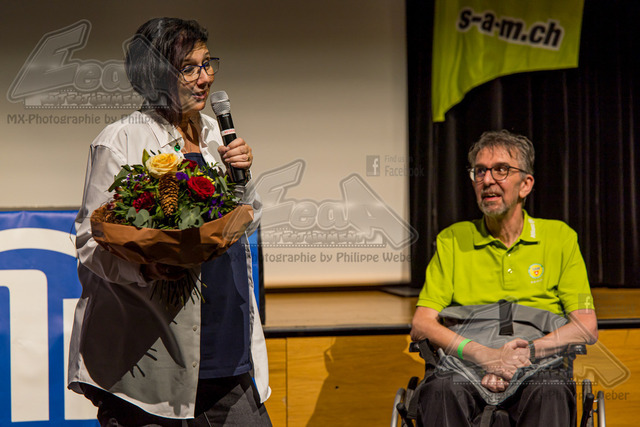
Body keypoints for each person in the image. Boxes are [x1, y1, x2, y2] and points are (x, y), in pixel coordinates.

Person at [68, 18, 271, 426]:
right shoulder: (122, 140)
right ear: (156, 76)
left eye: (207, 64)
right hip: (151, 360)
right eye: (189, 68)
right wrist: (147, 268)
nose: (205, 78)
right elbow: (90, 243)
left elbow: (244, 222)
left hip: (227, 349)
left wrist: (242, 178)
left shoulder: (216, 134)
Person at [410, 130, 598, 426]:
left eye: (500, 170)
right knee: (440, 391)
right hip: (465, 366)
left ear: (526, 184)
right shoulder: (453, 240)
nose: (487, 180)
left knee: (550, 391)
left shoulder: (559, 238)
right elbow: (422, 324)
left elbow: (586, 327)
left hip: (538, 365)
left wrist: (524, 355)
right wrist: (484, 355)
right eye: (480, 171)